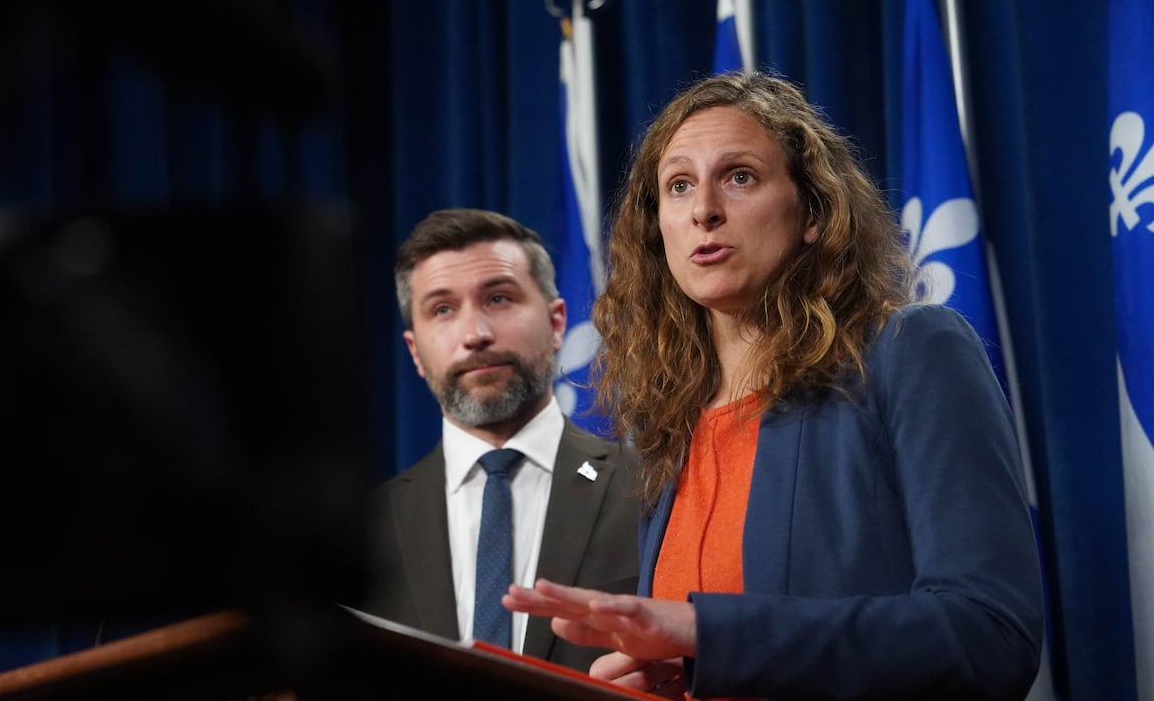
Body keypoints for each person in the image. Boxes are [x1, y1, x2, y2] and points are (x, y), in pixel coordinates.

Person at [503, 71, 1044, 700]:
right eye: (678, 186)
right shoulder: (665, 425)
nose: (703, 209)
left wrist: (711, 632)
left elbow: (991, 634)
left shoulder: (909, 352)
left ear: (813, 212)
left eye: (739, 177)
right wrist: (680, 671)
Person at [360, 207, 643, 673]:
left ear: (556, 324)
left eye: (498, 299)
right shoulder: (364, 532)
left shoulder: (651, 490)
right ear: (415, 351)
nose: (475, 334)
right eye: (443, 309)